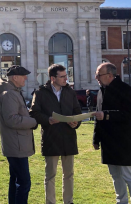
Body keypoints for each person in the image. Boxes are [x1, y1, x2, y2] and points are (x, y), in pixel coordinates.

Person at [29, 64, 81, 204]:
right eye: (62, 76)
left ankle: (68, 202)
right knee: (50, 175)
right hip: (51, 138)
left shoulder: (70, 92)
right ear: (53, 78)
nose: (66, 79)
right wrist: (47, 120)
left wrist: (76, 122)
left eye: (66, 75)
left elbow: (77, 111)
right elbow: (33, 113)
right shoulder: (40, 93)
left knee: (69, 174)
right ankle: (50, 202)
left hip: (69, 138)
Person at [93, 62, 131, 204]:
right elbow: (98, 116)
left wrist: (107, 115)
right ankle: (121, 202)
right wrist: (96, 138)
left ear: (110, 75)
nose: (96, 77)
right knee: (115, 176)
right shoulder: (101, 90)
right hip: (108, 141)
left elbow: (129, 114)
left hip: (123, 141)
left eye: (99, 74)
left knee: (129, 176)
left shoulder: (126, 89)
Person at [0, 65, 38, 204]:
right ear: (15, 77)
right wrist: (33, 122)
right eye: (23, 75)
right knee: (24, 183)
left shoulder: (12, 92)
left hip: (16, 144)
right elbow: (12, 119)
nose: (26, 78)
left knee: (16, 180)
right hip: (16, 145)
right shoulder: (10, 94)